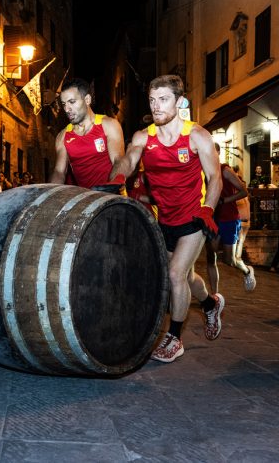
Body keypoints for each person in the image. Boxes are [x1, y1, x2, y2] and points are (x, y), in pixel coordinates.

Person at [110, 74, 224, 364]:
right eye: (152, 99)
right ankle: (211, 303)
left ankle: (174, 338)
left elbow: (215, 178)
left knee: (174, 274)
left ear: (179, 101)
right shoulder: (143, 137)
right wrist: (118, 175)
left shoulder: (197, 135)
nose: (156, 106)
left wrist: (208, 209)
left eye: (163, 99)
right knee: (185, 276)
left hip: (195, 217)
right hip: (166, 219)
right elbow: (129, 158)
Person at [50, 78, 125, 189]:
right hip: (86, 201)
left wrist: (110, 189)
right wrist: (50, 194)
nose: (66, 109)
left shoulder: (109, 125)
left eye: (72, 102)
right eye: (64, 104)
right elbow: (59, 171)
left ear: (87, 100)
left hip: (112, 197)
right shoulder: (63, 137)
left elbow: (118, 160)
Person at [205, 143, 256, 294]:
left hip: (228, 217)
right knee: (210, 255)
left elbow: (243, 191)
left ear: (219, 153)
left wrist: (224, 200)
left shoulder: (225, 171)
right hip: (212, 217)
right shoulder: (203, 171)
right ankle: (215, 295)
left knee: (230, 261)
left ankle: (247, 271)